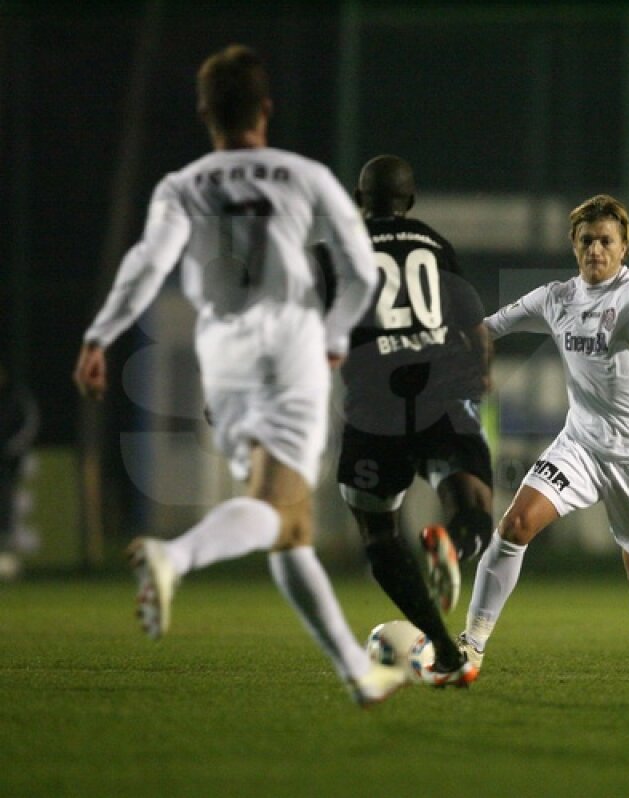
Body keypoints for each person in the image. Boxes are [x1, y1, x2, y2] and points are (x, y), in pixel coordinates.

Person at [72, 44, 410, 707]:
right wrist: (336, 333)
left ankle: (357, 673)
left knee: (289, 527)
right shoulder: (302, 174)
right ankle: (179, 557)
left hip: (220, 347)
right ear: (265, 109)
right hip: (288, 338)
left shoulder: (183, 183)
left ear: (205, 112)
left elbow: (149, 261)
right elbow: (362, 268)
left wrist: (99, 335)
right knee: (276, 509)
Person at [457, 194, 629, 675]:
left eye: (606, 241)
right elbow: (491, 327)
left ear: (624, 248)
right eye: (588, 240)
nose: (597, 249)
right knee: (513, 527)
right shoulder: (556, 298)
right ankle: (472, 643)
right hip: (581, 447)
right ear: (574, 245)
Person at [335, 154, 492, 688]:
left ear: (359, 200)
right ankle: (452, 543)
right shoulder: (432, 242)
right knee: (471, 502)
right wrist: (482, 374)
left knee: (379, 536)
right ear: (411, 200)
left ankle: (447, 652)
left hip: (374, 404)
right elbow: (474, 323)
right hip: (442, 391)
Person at [0, 363, 40, 580]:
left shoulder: (15, 397)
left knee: (7, 505)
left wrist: (9, 449)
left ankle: (7, 556)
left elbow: (27, 426)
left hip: (8, 463)